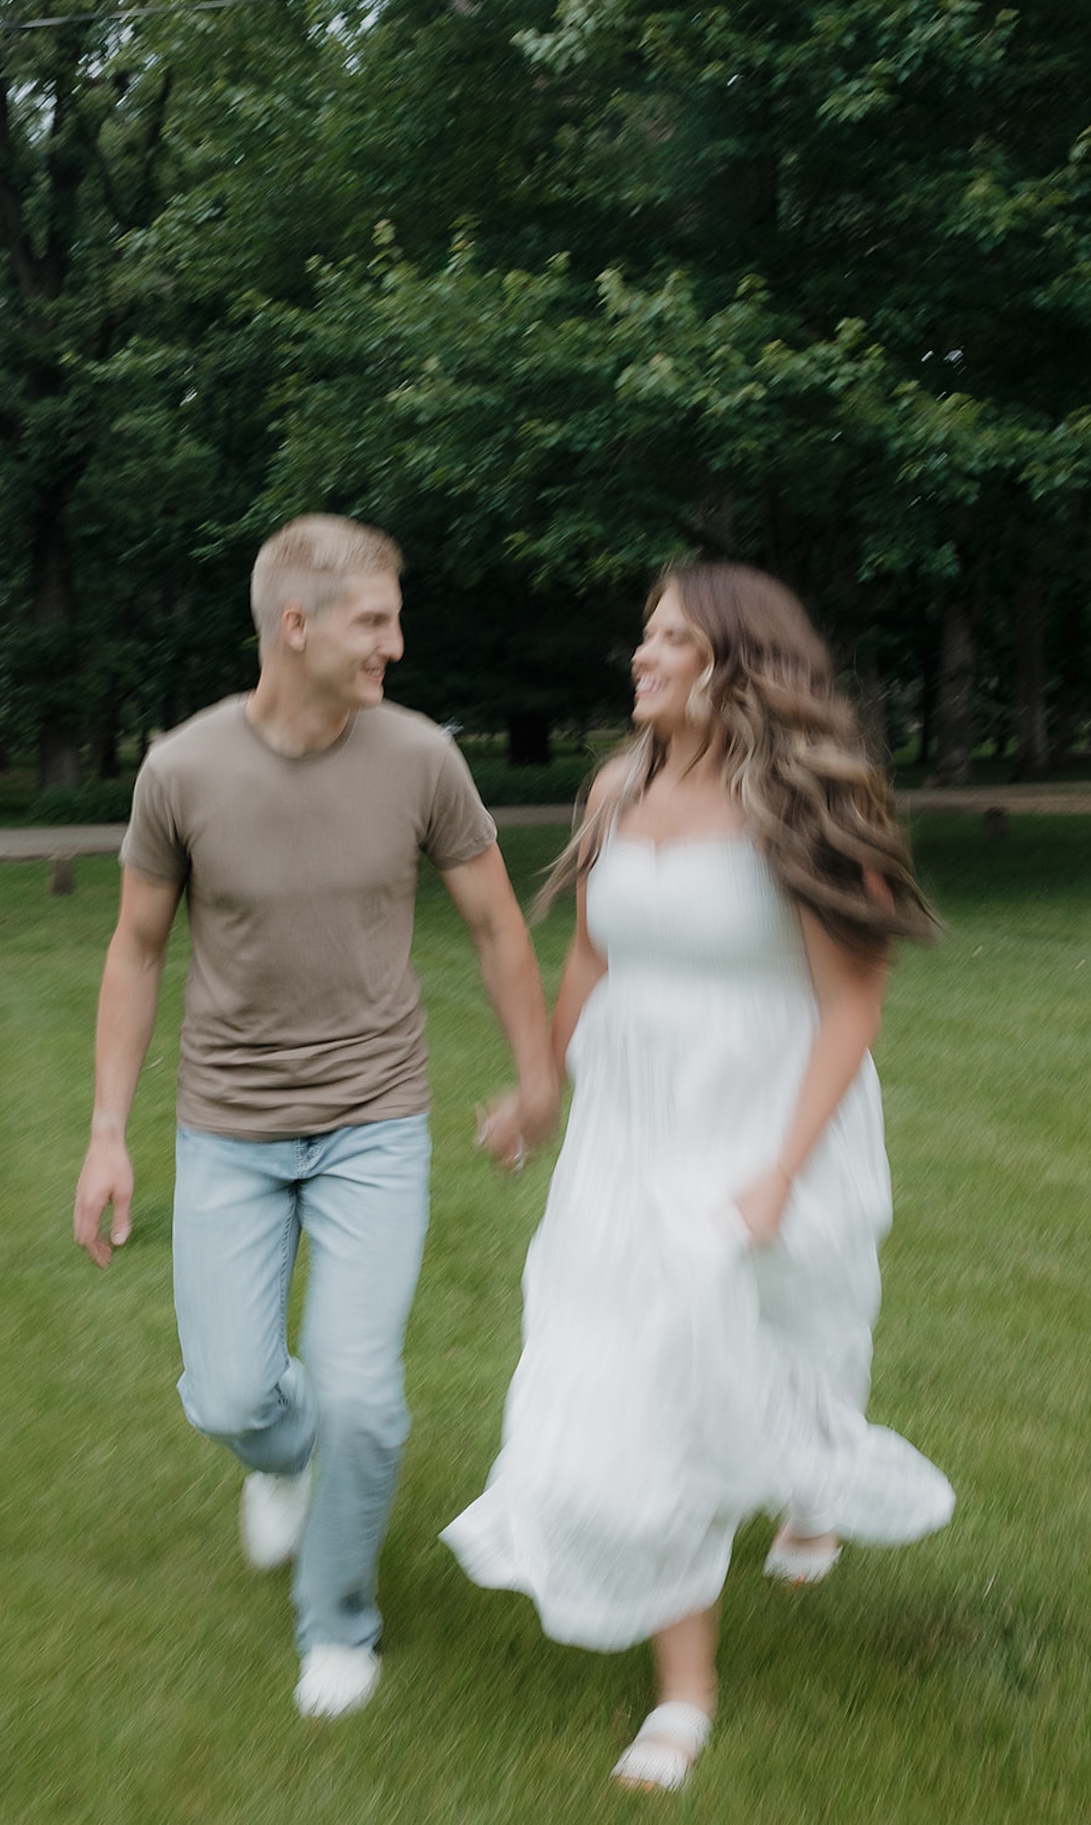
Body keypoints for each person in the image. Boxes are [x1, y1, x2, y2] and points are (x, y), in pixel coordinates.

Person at [442, 561, 955, 1793]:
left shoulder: (805, 803)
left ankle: (795, 1487)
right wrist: (540, 1087)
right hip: (632, 1127)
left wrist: (781, 1173)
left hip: (765, 1109)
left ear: (732, 661)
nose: (639, 654)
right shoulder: (622, 783)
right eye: (643, 633)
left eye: (666, 636)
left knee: (786, 1325)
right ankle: (685, 1690)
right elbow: (592, 955)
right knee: (633, 1374)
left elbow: (850, 1005)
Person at [73, 513, 558, 1721]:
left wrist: (535, 1075)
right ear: (295, 627)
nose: (395, 643)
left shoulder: (419, 760)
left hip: (374, 1122)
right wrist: (103, 1132)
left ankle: (337, 1621)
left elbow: (497, 927)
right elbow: (135, 952)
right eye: (374, 622)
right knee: (236, 1397)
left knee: (366, 1397)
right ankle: (280, 1462)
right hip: (228, 1127)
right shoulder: (181, 769)